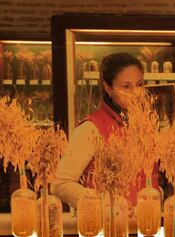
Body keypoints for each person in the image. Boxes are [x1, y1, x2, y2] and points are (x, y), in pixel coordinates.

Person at [51, 52, 158, 220]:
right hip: (104, 228)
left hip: (145, 227)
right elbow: (60, 184)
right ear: (107, 87)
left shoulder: (146, 127)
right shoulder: (91, 128)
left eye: (140, 84)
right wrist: (104, 205)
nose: (135, 93)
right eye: (126, 86)